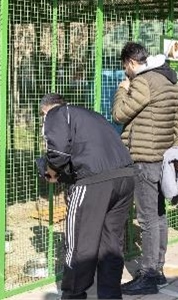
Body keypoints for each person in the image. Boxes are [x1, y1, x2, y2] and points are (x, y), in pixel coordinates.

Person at [112, 42, 178, 295]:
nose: (126, 73)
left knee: (147, 219)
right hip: (163, 162)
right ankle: (157, 270)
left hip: (144, 160)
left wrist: (121, 90)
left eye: (126, 68)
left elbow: (119, 114)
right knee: (158, 216)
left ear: (132, 62)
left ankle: (148, 274)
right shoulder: (174, 84)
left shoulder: (142, 81)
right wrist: (174, 151)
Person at [39, 93, 136, 299]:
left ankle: (73, 295)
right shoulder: (91, 116)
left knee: (79, 244)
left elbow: (58, 153)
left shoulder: (56, 114)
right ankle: (111, 295)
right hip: (125, 177)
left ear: (46, 110)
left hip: (94, 181)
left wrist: (52, 170)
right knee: (111, 244)